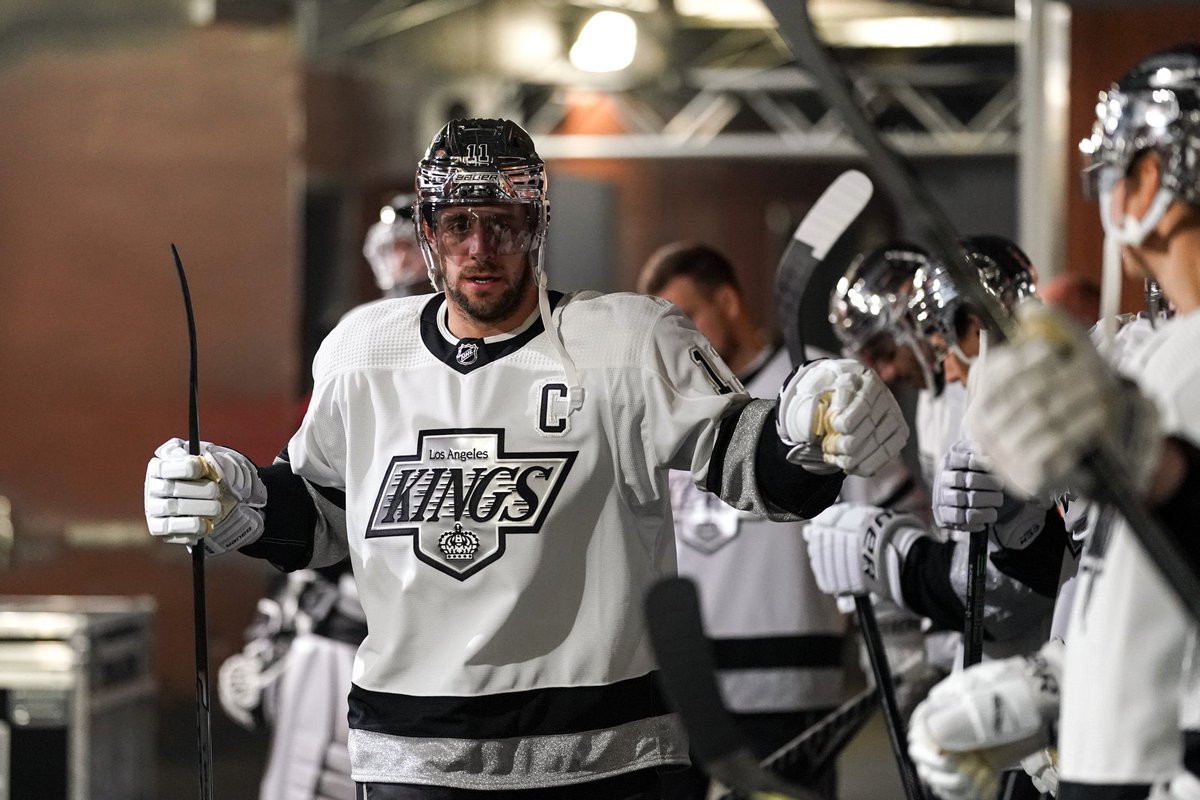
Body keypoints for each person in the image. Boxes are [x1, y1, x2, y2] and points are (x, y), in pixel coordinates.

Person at [143, 117, 911, 799]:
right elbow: (321, 520)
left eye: (504, 223)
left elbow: (757, 472)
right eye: (458, 223)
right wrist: (236, 502)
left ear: (538, 226)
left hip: (607, 761)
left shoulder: (631, 342)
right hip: (414, 763)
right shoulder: (360, 352)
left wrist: (810, 433)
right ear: (428, 233)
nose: (481, 248)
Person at [903, 44, 1200, 800]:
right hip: (1115, 757)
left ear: (1157, 174)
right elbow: (1136, 586)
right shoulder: (1152, 354)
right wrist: (1055, 685)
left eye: (1123, 165)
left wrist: (1162, 471)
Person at [217, 193, 434, 800]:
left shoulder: (510, 361)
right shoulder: (356, 351)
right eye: (393, 251)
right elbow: (310, 505)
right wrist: (270, 636)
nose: (403, 266)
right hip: (346, 637)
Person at [636, 242, 848, 800]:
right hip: (680, 687)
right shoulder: (664, 397)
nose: (676, 343)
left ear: (727, 301)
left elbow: (878, 508)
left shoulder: (816, 387)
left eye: (688, 319)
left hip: (789, 689)